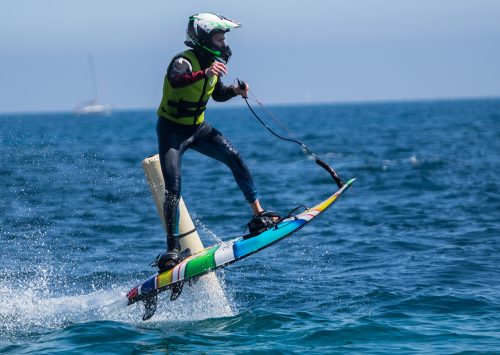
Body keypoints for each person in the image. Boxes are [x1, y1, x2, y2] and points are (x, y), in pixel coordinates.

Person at [153, 13, 279, 272]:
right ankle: (172, 250)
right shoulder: (183, 62)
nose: (223, 44)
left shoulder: (214, 64)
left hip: (198, 129)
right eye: (219, 38)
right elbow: (177, 81)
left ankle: (258, 213)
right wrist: (204, 72)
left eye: (223, 39)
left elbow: (217, 94)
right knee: (173, 187)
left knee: (234, 157)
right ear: (203, 38)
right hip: (172, 133)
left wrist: (234, 90)